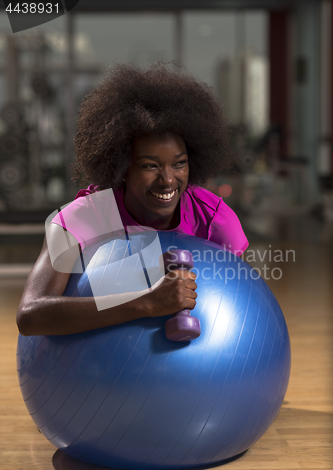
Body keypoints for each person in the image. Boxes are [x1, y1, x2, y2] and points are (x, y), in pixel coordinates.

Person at [16, 64, 248, 337]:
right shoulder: (80, 221)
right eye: (150, 166)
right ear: (122, 167)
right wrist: (145, 303)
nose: (168, 180)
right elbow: (30, 315)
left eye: (179, 164)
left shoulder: (214, 221)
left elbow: (241, 306)